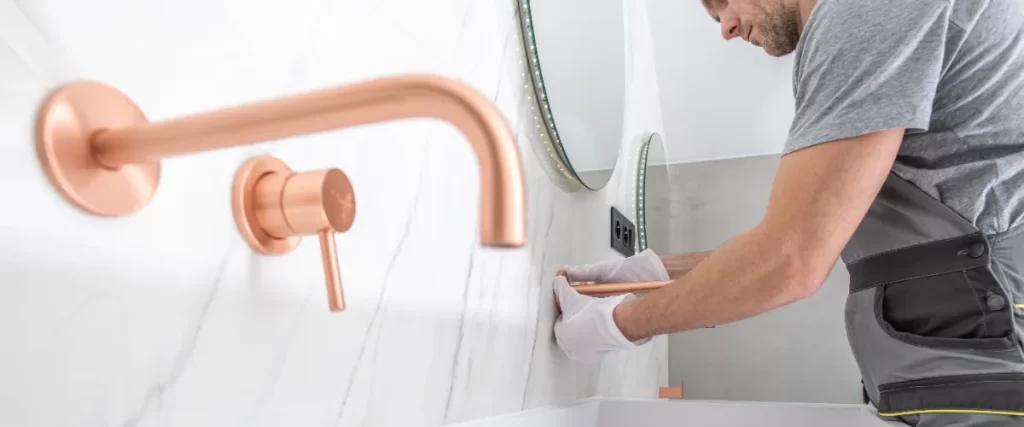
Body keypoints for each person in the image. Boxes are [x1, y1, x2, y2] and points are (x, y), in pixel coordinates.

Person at [552, 0, 1024, 425]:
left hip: (985, 346)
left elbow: (789, 261)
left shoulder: (864, 13)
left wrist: (618, 326)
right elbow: (801, 238)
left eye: (722, 4)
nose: (726, 28)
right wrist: (652, 272)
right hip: (959, 353)